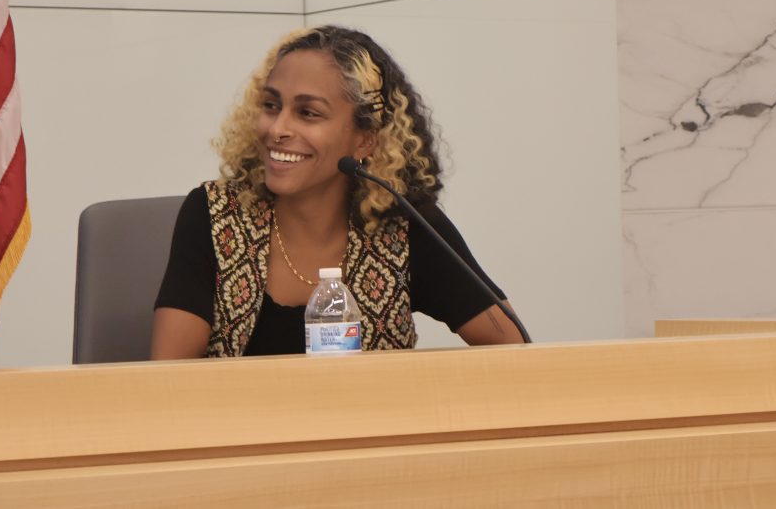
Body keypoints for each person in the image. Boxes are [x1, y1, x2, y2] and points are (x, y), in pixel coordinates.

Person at [151, 25, 523, 359]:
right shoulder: (215, 216)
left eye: (308, 113)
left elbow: (515, 351)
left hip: (369, 432)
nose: (277, 128)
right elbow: (166, 381)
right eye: (271, 106)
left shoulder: (404, 225)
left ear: (364, 140)